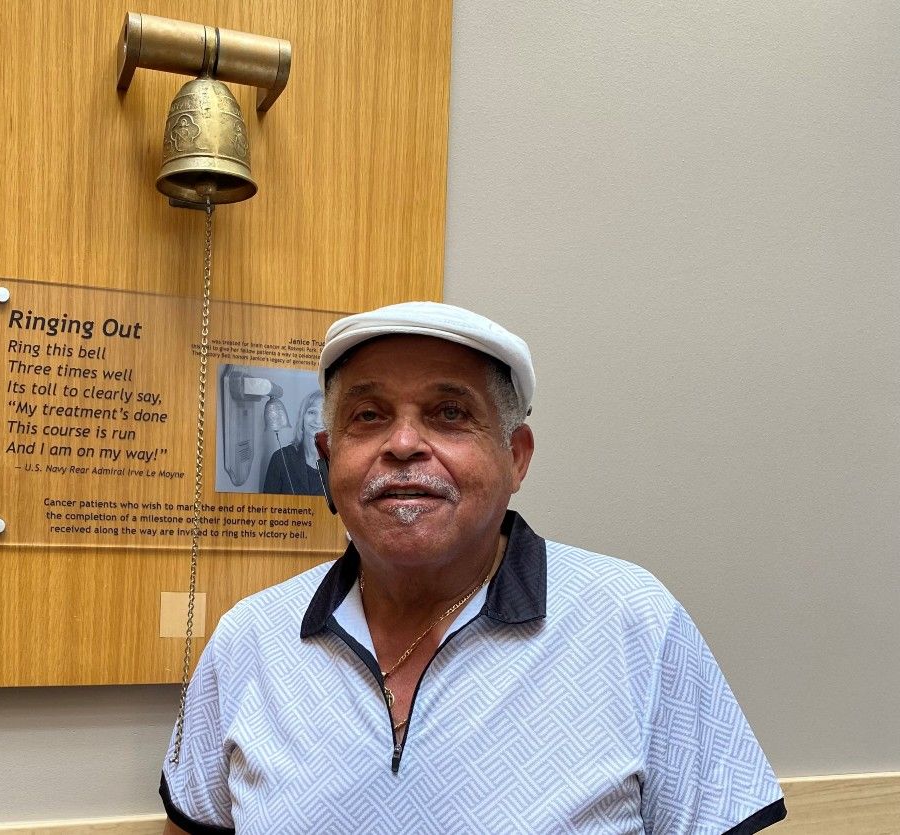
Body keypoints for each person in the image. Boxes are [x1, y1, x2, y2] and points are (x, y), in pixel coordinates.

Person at [160, 301, 787, 834]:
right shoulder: (249, 638)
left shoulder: (632, 622)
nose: (402, 444)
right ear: (327, 458)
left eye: (450, 413)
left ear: (516, 457)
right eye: (368, 416)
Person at [262, 390, 325, 496]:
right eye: (312, 412)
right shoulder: (280, 459)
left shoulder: (341, 466)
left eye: (324, 414)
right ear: (302, 417)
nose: (318, 421)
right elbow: (268, 508)